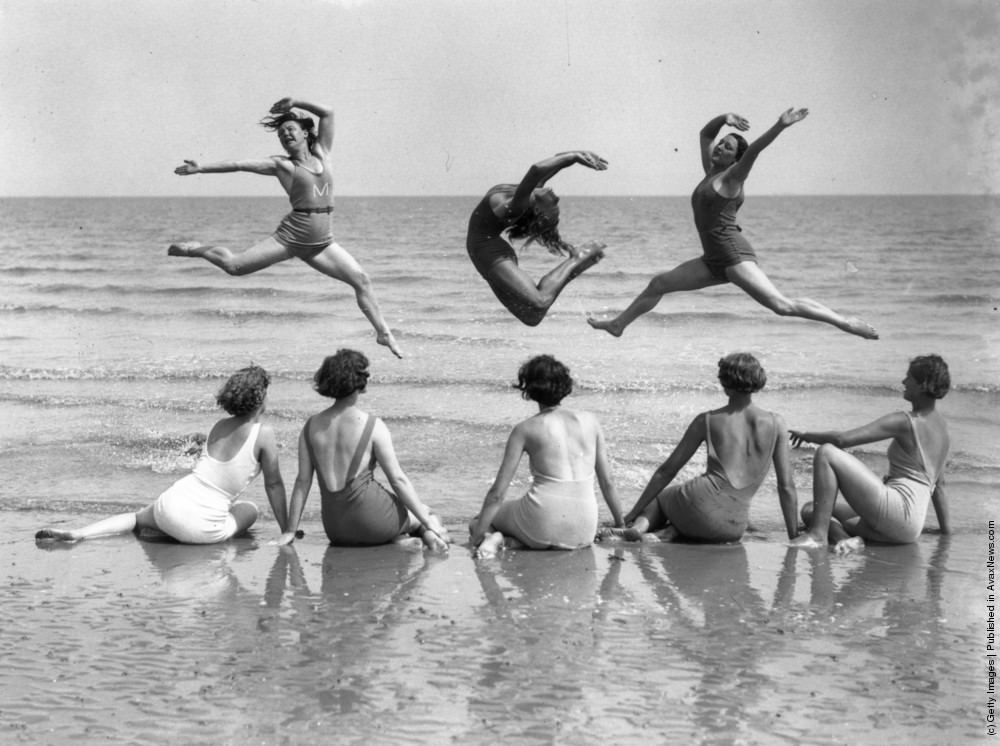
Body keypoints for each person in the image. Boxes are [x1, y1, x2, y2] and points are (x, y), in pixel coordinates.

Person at [588, 109, 878, 340]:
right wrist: (724, 117)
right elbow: (705, 134)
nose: (720, 148)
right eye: (722, 144)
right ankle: (618, 325)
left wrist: (779, 126)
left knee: (781, 305)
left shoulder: (731, 179)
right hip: (713, 258)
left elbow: (753, 152)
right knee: (659, 283)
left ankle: (844, 322)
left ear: (734, 160)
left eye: (727, 148)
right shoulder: (710, 173)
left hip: (733, 254)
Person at [168, 97, 403, 358]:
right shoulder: (282, 165)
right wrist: (201, 168)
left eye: (290, 129)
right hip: (291, 237)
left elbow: (328, 112)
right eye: (281, 134)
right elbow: (239, 165)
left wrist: (294, 101)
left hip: (322, 242)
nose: (285, 135)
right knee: (235, 267)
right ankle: (196, 250)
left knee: (361, 280)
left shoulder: (323, 153)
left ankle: (383, 333)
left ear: (304, 132)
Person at [35, 366, 288, 544]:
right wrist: (287, 529)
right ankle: (182, 531)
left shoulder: (219, 426)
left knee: (135, 518)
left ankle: (80, 533)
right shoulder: (263, 433)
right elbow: (274, 485)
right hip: (202, 530)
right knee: (250, 509)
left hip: (170, 506)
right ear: (260, 398)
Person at [605, 353, 798, 543]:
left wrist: (632, 513)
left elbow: (667, 471)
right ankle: (671, 532)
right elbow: (786, 486)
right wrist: (793, 535)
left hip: (696, 504)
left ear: (725, 384)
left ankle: (638, 527)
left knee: (662, 497)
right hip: (733, 527)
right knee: (701, 513)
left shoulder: (707, 420)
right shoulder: (777, 423)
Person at [278, 349, 449, 551]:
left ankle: (399, 541)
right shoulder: (373, 426)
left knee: (400, 520)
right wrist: (427, 522)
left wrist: (290, 531)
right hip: (373, 519)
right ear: (361, 381)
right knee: (426, 513)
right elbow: (398, 480)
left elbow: (302, 482)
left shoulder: (310, 427)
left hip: (336, 529)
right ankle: (426, 534)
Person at [789, 355, 951, 553]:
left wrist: (808, 436)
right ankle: (848, 540)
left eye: (909, 377)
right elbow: (939, 486)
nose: (903, 382)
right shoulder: (943, 429)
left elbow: (842, 440)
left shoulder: (905, 421)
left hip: (897, 511)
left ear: (922, 384)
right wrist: (946, 534)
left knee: (826, 453)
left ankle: (817, 537)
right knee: (811, 511)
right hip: (909, 530)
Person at [470, 354, 624, 557]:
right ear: (565, 385)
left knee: (478, 520)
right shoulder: (590, 421)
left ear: (529, 389)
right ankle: (512, 542)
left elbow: (497, 493)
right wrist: (620, 524)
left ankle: (494, 539)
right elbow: (608, 482)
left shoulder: (525, 429)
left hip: (541, 520)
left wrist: (475, 537)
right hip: (583, 530)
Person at [467, 151, 609, 326]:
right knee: (532, 317)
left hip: (488, 251)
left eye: (554, 202)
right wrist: (579, 155)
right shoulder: (534, 191)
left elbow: (536, 169)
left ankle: (577, 259)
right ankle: (573, 269)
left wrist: (573, 157)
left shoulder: (517, 207)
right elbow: (553, 162)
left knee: (540, 302)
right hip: (488, 249)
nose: (556, 196)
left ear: (537, 210)